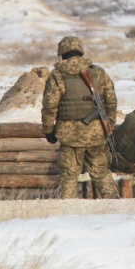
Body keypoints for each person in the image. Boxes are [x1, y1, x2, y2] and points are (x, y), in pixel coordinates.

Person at [41, 36, 120, 199]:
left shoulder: (57, 75)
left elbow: (50, 105)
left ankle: (66, 211)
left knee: (69, 176)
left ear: (62, 54)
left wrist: (48, 130)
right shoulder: (98, 72)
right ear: (80, 51)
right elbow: (111, 99)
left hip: (69, 136)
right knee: (102, 173)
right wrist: (109, 123)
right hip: (96, 134)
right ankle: (115, 205)